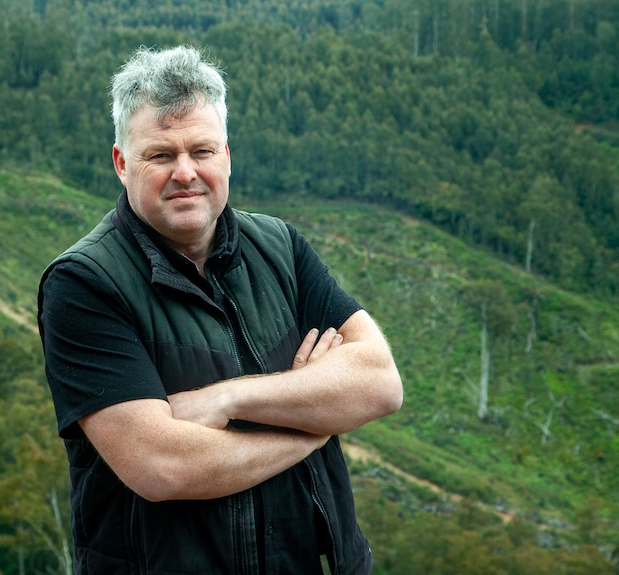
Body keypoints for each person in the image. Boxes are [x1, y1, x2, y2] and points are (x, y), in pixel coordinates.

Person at [37, 45, 403, 575]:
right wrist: (316, 420)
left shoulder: (280, 246)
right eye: (160, 155)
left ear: (227, 154)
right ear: (121, 163)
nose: (185, 172)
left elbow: (379, 383)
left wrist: (229, 399)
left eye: (201, 151)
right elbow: (162, 466)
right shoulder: (83, 285)